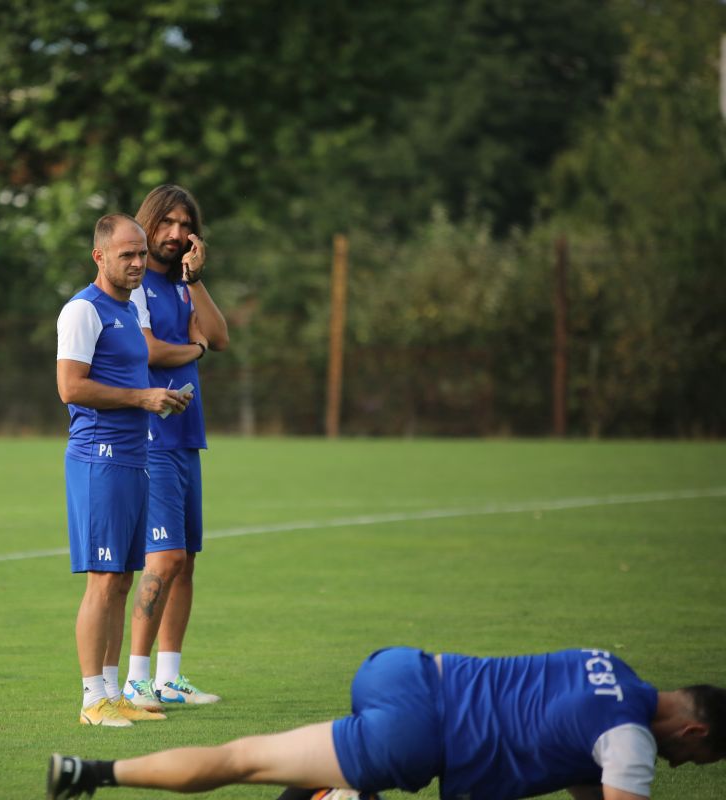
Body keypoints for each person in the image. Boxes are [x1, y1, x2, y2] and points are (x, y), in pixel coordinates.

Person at [47, 646, 726, 798]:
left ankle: (92, 771)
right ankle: (340, 793)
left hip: (401, 668)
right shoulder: (631, 742)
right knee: (255, 765)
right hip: (418, 733)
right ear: (693, 734)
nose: (680, 768)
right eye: (696, 761)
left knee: (246, 756)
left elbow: (570, 754)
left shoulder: (611, 664)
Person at [57, 213, 193, 727]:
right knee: (103, 579)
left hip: (136, 456)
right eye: (126, 255)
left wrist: (159, 402)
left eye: (141, 254)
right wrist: (141, 396)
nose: (138, 262)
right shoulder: (82, 311)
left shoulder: (129, 306)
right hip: (100, 458)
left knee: (121, 579)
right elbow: (70, 388)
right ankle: (93, 698)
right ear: (100, 257)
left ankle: (112, 693)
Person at [121, 184, 230, 710]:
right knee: (163, 559)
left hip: (187, 436)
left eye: (185, 224)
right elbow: (147, 352)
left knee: (186, 563)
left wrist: (197, 280)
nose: (176, 234)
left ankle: (169, 677)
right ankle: (135, 680)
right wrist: (193, 349)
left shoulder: (184, 285)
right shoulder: (136, 284)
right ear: (148, 224)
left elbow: (220, 336)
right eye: (166, 223)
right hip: (151, 439)